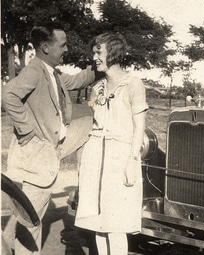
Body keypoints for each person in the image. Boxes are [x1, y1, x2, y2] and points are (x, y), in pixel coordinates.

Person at [2, 22, 98, 255]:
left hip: (54, 146)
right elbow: (9, 95)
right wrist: (26, 131)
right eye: (62, 45)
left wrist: (102, 65)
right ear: (46, 47)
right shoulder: (34, 70)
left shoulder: (51, 72)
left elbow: (76, 81)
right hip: (37, 157)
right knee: (31, 223)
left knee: (89, 124)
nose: (66, 50)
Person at [74, 33, 148, 255]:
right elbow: (97, 123)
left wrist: (132, 162)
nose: (94, 57)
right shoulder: (98, 87)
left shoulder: (134, 84)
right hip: (95, 157)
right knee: (98, 224)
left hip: (120, 157)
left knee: (117, 226)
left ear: (113, 53)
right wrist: (95, 103)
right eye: (94, 52)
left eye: (99, 52)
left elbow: (139, 127)